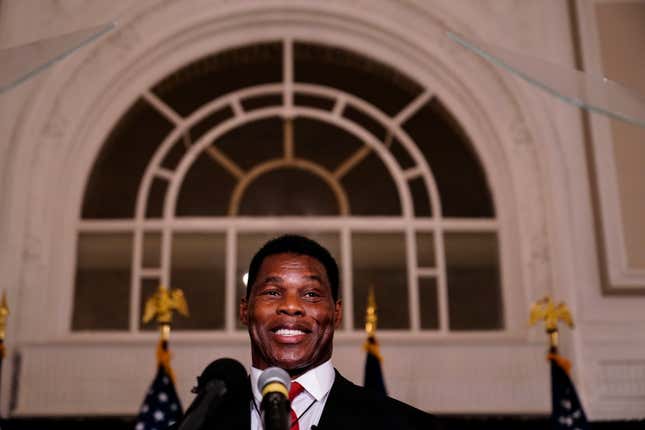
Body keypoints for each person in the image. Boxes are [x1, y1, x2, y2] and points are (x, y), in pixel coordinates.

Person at [238, 234, 442, 430]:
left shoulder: (409, 425)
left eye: (310, 294)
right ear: (245, 310)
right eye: (273, 292)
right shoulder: (208, 417)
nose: (291, 306)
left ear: (337, 313)